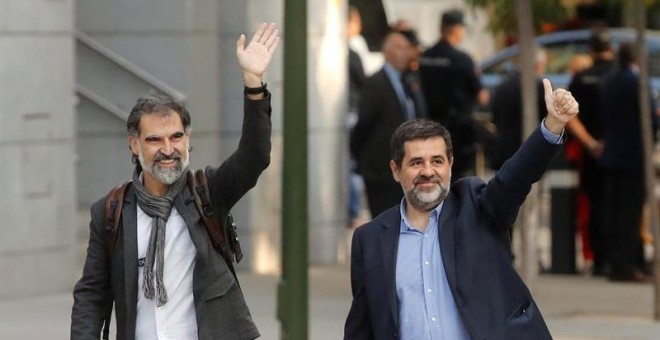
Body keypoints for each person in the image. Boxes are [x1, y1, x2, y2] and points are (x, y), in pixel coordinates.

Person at [71, 23, 279, 339]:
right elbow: (92, 295)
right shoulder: (111, 212)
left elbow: (254, 156)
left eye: (176, 137)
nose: (168, 149)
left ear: (187, 139)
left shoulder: (207, 193)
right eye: (155, 139)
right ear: (134, 144)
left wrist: (253, 84)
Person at [344, 79, 579, 339]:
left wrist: (553, 125)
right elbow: (361, 328)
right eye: (416, 163)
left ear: (450, 165)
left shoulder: (477, 208)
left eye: (437, 161)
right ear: (396, 170)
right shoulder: (370, 240)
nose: (428, 172)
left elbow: (515, 178)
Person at [350, 32, 424, 218]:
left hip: (407, 167)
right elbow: (364, 124)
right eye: (401, 48)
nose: (406, 53)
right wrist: (361, 158)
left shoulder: (408, 81)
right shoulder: (375, 82)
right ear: (388, 52)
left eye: (407, 49)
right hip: (381, 170)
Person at [600, 42, 653, 283]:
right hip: (633, 154)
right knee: (631, 213)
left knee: (614, 210)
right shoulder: (637, 83)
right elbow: (649, 118)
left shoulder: (608, 81)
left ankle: (614, 261)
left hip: (611, 153)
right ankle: (629, 263)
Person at [566, 29, 614, 276]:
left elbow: (570, 116)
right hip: (619, 151)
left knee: (595, 204)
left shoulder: (582, 78)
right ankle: (620, 258)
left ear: (590, 50)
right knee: (620, 203)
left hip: (592, 152)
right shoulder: (621, 75)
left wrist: (591, 143)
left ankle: (600, 259)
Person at [419, 9, 483, 178]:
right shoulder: (462, 59)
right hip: (458, 132)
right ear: (456, 30)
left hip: (429, 127)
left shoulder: (425, 57)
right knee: (456, 178)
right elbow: (481, 94)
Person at [489, 47, 548, 170]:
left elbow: (494, 115)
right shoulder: (541, 87)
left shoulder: (502, 85)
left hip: (505, 149)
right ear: (538, 65)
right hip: (531, 149)